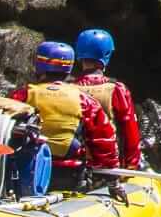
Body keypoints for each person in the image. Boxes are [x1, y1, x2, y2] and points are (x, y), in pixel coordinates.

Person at [11, 40, 112, 180]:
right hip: (69, 173)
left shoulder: (23, 94)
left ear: (39, 66)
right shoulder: (84, 99)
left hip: (26, 169)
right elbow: (103, 139)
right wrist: (110, 177)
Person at [71, 29, 144, 174]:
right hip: (108, 169)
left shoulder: (67, 90)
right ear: (106, 55)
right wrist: (131, 166)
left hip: (76, 166)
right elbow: (130, 133)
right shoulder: (117, 89)